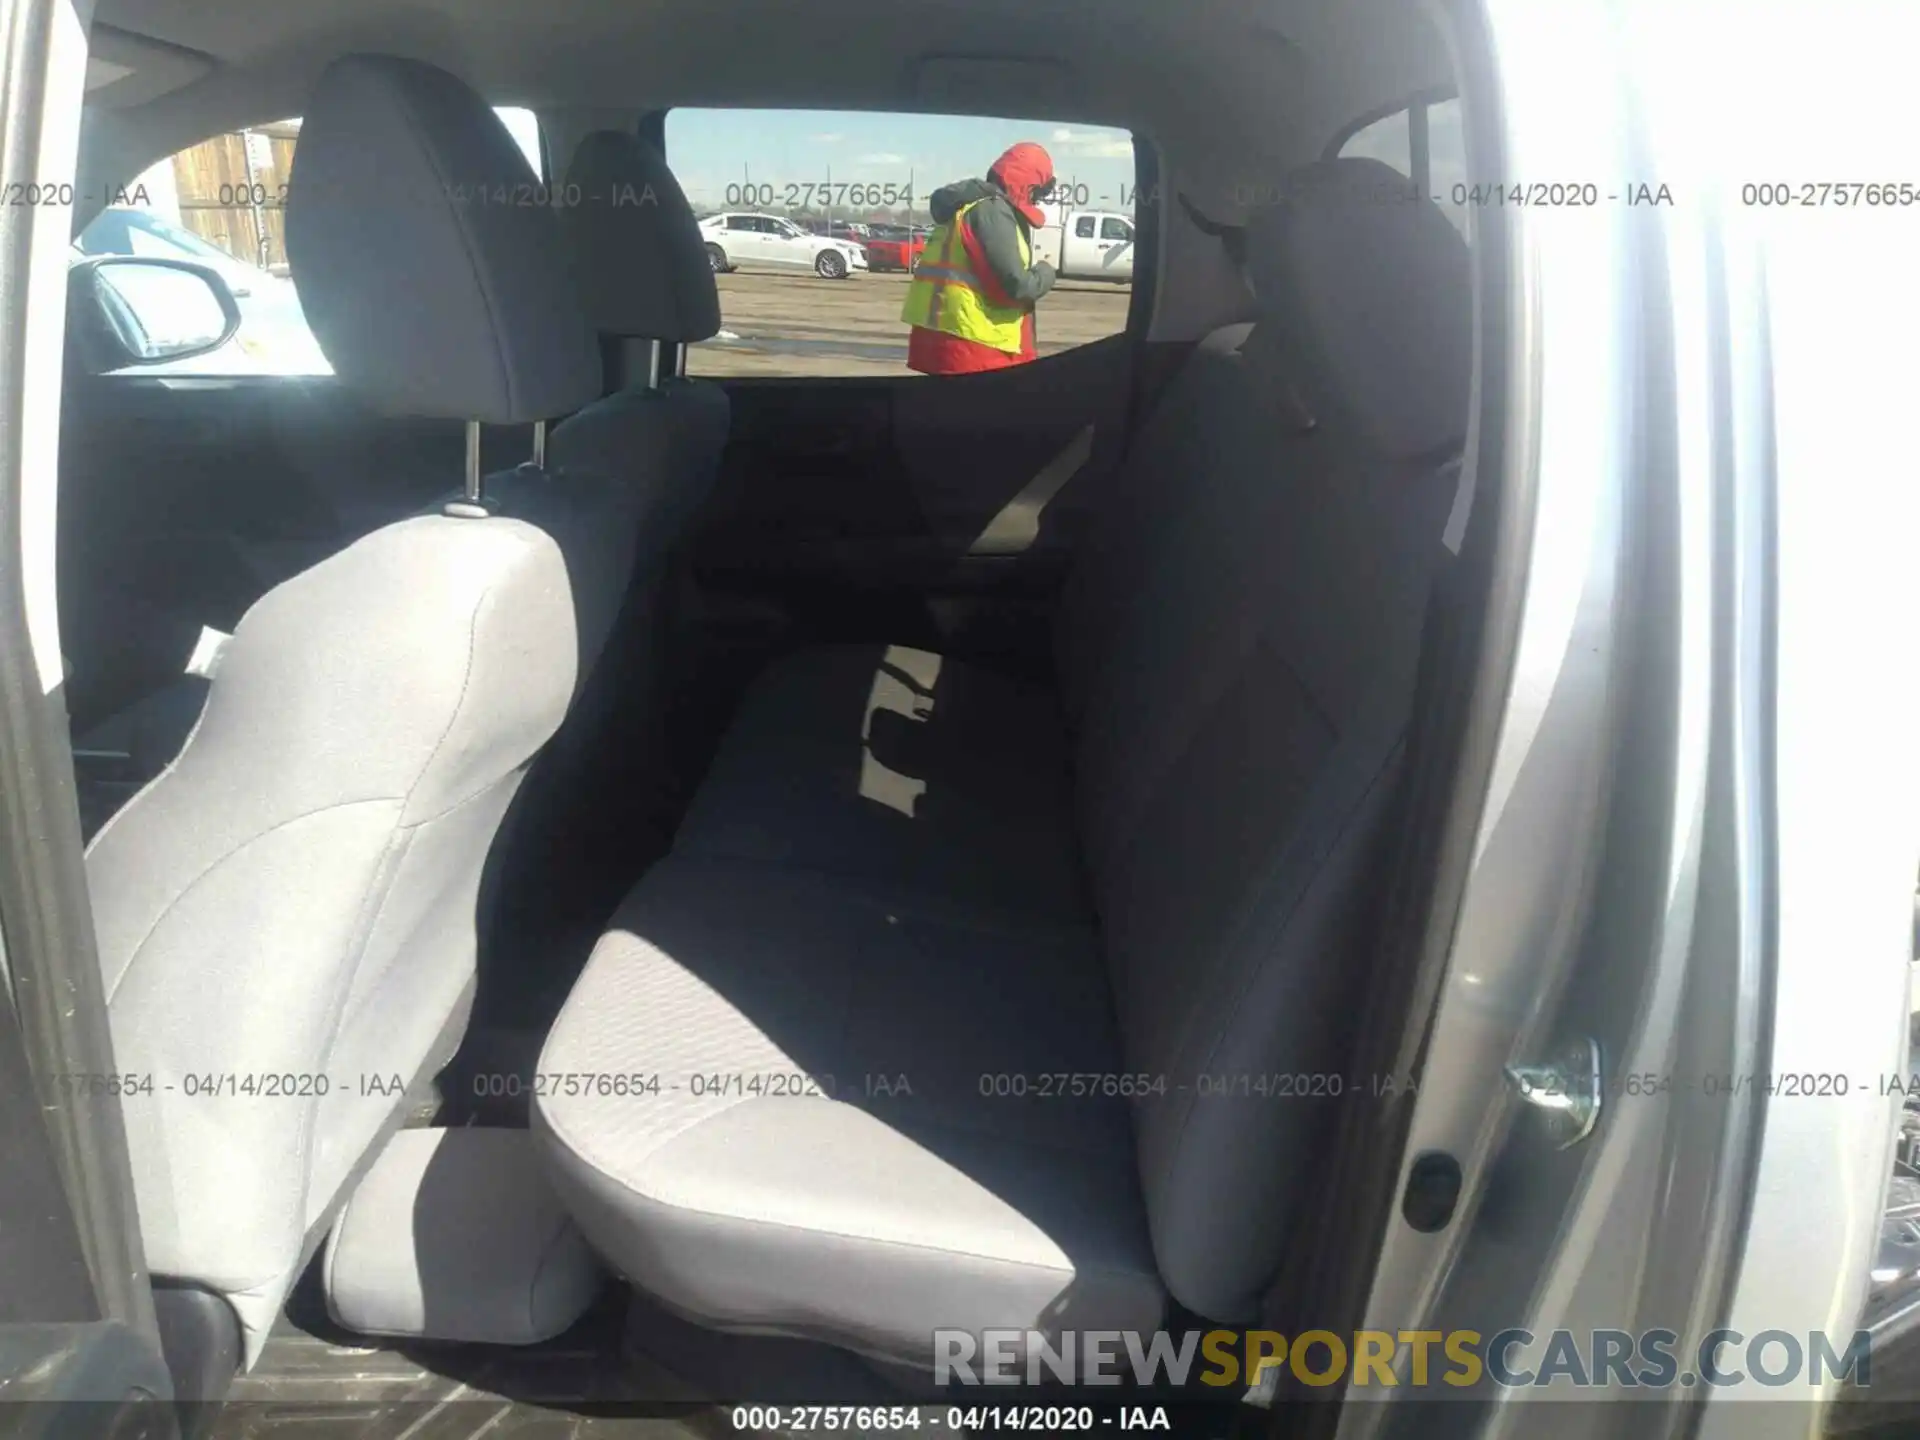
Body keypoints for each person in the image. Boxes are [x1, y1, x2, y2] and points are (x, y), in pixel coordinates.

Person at [901, 141, 1059, 374]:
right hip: (978, 346)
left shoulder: (963, 206)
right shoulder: (992, 211)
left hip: (942, 340)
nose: (1039, 199)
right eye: (1039, 191)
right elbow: (1017, 285)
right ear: (1027, 184)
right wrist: (1046, 272)